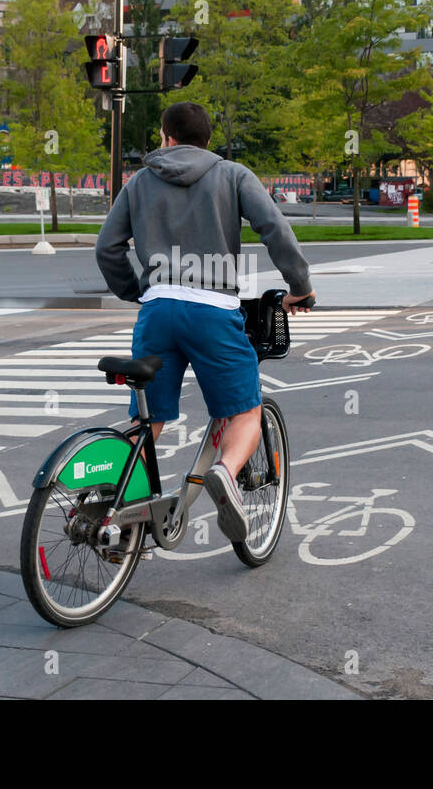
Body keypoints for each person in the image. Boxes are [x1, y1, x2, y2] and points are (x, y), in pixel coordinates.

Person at [95, 102, 315, 544]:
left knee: (148, 421)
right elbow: (274, 228)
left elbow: (107, 247)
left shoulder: (139, 182)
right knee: (245, 411)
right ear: (208, 140)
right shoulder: (232, 174)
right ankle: (225, 473)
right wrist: (300, 286)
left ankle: (113, 499)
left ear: (167, 137)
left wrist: (139, 291)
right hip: (213, 310)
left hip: (158, 311)